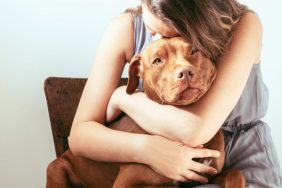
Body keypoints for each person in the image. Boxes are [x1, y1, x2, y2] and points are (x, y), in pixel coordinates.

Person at [69, 0, 282, 187]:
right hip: (160, 153)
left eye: (175, 33)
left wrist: (122, 98)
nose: (158, 38)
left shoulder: (241, 24)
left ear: (197, 19)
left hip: (242, 156)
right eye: (152, 30)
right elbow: (80, 136)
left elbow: (195, 131)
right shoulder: (126, 28)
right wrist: (146, 149)